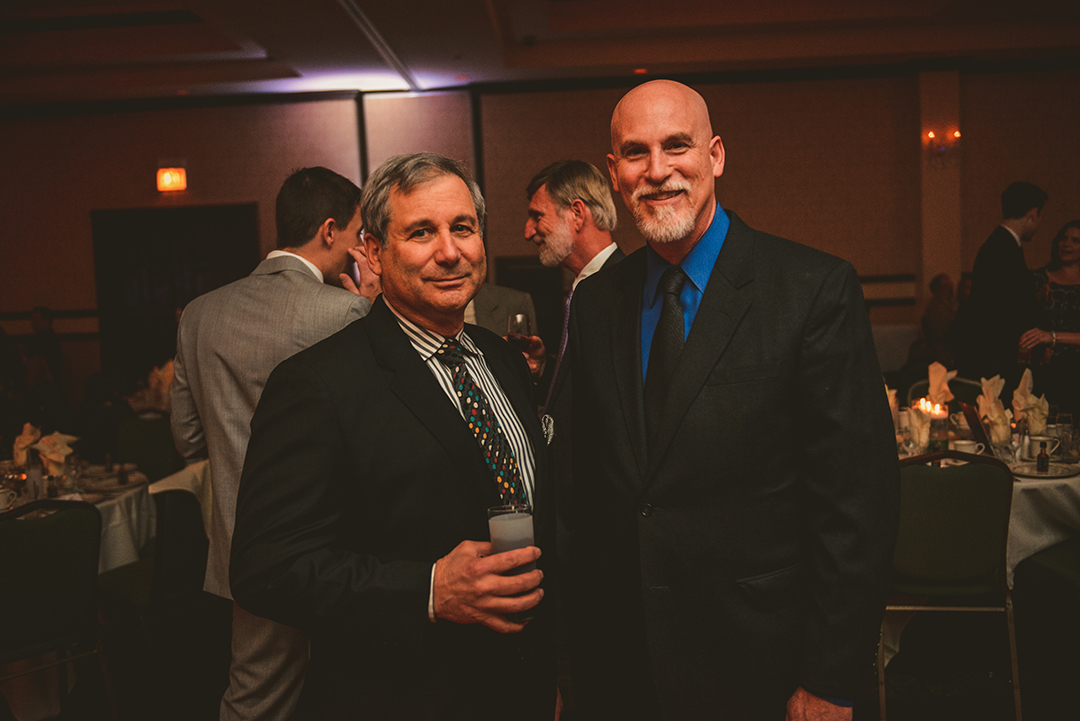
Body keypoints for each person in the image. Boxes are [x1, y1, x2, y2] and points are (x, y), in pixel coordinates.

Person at [566, 79, 899, 720]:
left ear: (715, 155)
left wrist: (831, 677)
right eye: (636, 153)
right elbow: (590, 487)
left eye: (677, 146)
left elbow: (858, 505)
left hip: (763, 663)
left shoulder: (811, 290)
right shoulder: (597, 302)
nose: (657, 170)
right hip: (624, 664)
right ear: (613, 173)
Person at [230, 153, 556, 720]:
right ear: (375, 252)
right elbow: (266, 568)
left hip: (519, 684)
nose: (450, 252)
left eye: (463, 228)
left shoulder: (501, 360)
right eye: (421, 232)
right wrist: (428, 590)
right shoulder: (317, 385)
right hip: (405, 696)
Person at [171, 166, 378, 721]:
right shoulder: (349, 312)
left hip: (246, 545)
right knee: (356, 686)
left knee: (255, 697)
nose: (361, 248)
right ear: (330, 230)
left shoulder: (199, 315)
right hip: (341, 542)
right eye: (359, 233)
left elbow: (187, 437)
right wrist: (380, 311)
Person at [524, 159, 624, 557]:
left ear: (577, 213)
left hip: (601, 530)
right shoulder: (582, 292)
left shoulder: (627, 290)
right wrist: (547, 368)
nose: (528, 231)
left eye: (537, 216)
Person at [957, 181, 1047, 395]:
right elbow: (1006, 309)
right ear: (1034, 213)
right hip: (1000, 358)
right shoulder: (1004, 247)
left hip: (995, 353)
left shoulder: (997, 244)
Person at [1020, 219, 1080, 414]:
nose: (1067, 244)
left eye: (1075, 240)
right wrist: (1036, 301)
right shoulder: (1038, 278)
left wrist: (1051, 337)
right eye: (1063, 238)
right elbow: (1024, 320)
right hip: (1047, 367)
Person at [907, 273, 957, 368]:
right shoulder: (935, 308)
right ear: (937, 289)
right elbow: (941, 333)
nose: (950, 289)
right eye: (946, 286)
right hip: (941, 351)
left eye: (951, 285)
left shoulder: (953, 303)